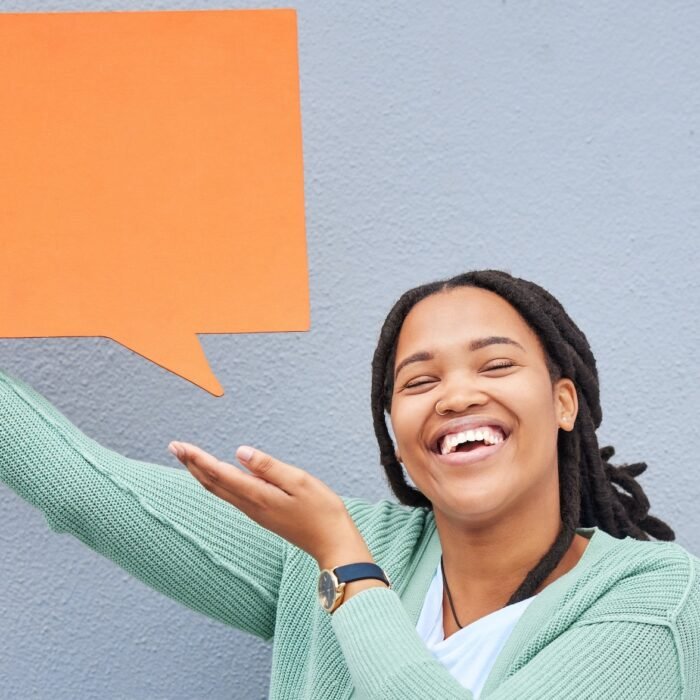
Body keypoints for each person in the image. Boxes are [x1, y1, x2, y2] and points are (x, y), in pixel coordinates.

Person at [1, 269, 698, 699]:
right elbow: (81, 490)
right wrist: (339, 552)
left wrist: (345, 565)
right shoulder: (337, 545)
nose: (455, 396)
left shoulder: (656, 600)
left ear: (564, 404)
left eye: (493, 366)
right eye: (420, 381)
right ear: (396, 431)